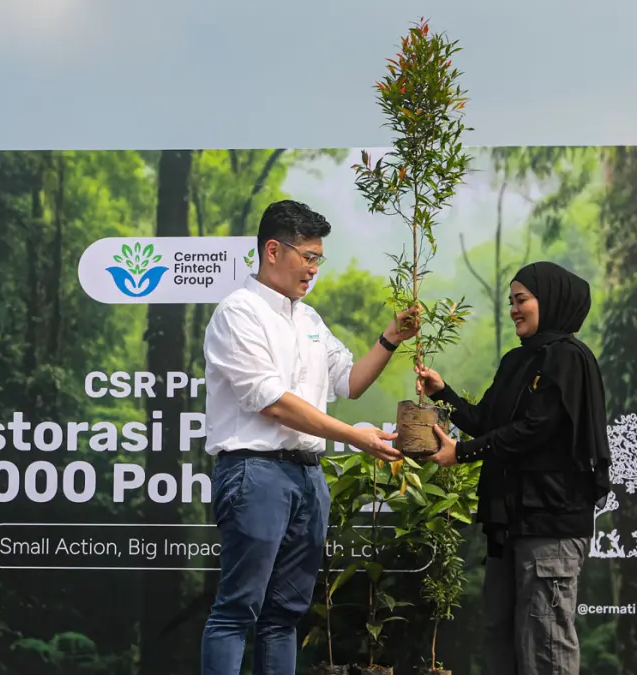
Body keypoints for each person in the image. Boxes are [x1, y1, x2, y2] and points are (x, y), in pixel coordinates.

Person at [200, 199, 415, 675]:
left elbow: (349, 383)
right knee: (238, 609)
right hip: (254, 473)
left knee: (285, 615)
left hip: (307, 479)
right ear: (273, 250)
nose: (315, 268)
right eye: (309, 256)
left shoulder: (311, 321)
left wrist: (390, 339)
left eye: (320, 258)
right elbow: (272, 401)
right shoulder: (239, 312)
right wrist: (353, 438)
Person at [416, 260, 612, 675]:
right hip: (512, 524)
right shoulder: (517, 361)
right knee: (501, 636)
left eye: (522, 300)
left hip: (551, 524)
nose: (514, 310)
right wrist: (443, 392)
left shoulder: (568, 359)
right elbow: (488, 420)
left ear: (551, 300)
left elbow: (535, 428)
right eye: (511, 302)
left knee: (546, 640)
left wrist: (463, 453)